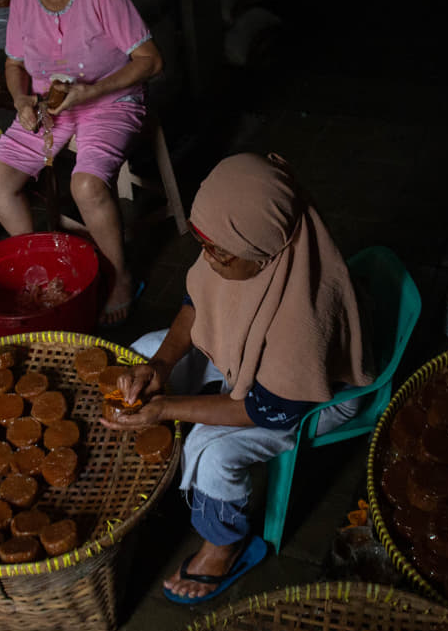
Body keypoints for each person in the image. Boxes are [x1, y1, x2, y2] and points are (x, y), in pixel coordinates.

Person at [102, 153, 372, 604]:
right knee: (145, 350)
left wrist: (167, 407)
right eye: (203, 244)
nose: (208, 258)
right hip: (250, 360)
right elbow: (197, 302)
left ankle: (224, 543)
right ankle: (156, 452)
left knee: (210, 450)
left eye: (219, 251)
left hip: (313, 396)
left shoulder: (300, 320)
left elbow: (266, 408)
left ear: (263, 245)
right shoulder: (241, 247)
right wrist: (161, 367)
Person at [0, 0, 164, 326]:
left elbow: (151, 61)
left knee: (87, 185)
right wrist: (21, 100)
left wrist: (92, 90)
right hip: (50, 107)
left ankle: (117, 278)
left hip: (110, 102)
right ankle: (40, 265)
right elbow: (13, 65)